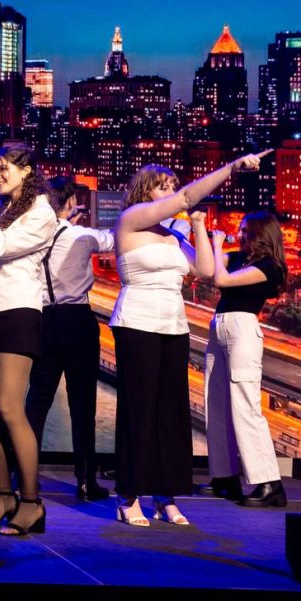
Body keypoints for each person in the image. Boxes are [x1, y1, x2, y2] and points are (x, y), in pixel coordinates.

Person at [110, 151, 266, 527]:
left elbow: (206, 271)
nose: (172, 192)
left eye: (172, 186)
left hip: (174, 326)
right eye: (163, 187)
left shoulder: (173, 234)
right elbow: (183, 199)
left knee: (171, 413)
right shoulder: (130, 221)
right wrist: (230, 168)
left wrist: (196, 225)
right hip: (137, 322)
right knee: (139, 411)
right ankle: (128, 495)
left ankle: (165, 497)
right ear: (147, 191)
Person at [0, 144, 57, 536]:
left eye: (4, 169)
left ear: (26, 170)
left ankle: (31, 502)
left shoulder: (41, 213)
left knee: (9, 409)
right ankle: (3, 496)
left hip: (17, 313)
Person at [25, 176, 113, 502]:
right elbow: (113, 239)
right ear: (73, 202)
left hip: (44, 321)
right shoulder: (82, 235)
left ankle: (25, 473)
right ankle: (86, 481)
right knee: (82, 405)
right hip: (77, 320)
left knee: (37, 402)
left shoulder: (34, 236)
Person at [204, 211, 288, 507]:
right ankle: (224, 477)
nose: (238, 235)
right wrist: (194, 228)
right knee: (216, 404)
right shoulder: (240, 258)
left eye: (244, 231)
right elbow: (204, 268)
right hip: (220, 326)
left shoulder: (269, 267)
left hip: (242, 329)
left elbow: (221, 280)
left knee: (246, 406)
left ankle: (269, 483)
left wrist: (216, 245)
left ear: (259, 234)